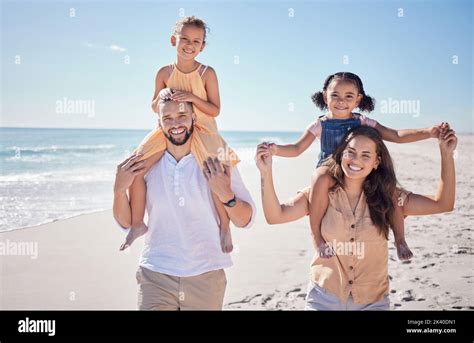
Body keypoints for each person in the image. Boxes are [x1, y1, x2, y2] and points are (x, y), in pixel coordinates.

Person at [256, 125, 456, 310]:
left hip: (373, 302)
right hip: (324, 298)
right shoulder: (320, 192)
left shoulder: (390, 197)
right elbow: (276, 216)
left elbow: (443, 204)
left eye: (365, 155)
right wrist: (266, 173)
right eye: (351, 152)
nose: (356, 160)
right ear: (342, 153)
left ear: (376, 162)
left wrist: (446, 154)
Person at [266, 72, 447, 261]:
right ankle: (317, 238)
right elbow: (296, 148)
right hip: (331, 168)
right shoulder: (320, 124)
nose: (341, 101)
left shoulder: (362, 121)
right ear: (325, 95)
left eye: (349, 96)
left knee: (390, 191)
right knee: (319, 178)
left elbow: (396, 135)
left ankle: (400, 239)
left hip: (359, 168)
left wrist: (428, 132)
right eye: (335, 95)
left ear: (358, 99)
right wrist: (275, 149)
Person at [113, 97, 256, 310]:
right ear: (159, 123)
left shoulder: (215, 161)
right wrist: (118, 189)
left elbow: (246, 220)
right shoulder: (146, 164)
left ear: (193, 118)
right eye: (167, 118)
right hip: (155, 273)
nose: (176, 124)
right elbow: (126, 223)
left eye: (182, 116)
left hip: (206, 275)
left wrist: (226, 194)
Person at [121, 16, 238, 253]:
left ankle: (225, 226)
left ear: (203, 46)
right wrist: (163, 95)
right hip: (170, 128)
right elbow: (154, 106)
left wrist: (192, 98)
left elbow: (215, 109)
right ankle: (136, 224)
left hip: (202, 129)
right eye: (184, 39)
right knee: (136, 167)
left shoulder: (207, 73)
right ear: (174, 40)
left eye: (196, 41)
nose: (190, 44)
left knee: (215, 172)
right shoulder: (164, 72)